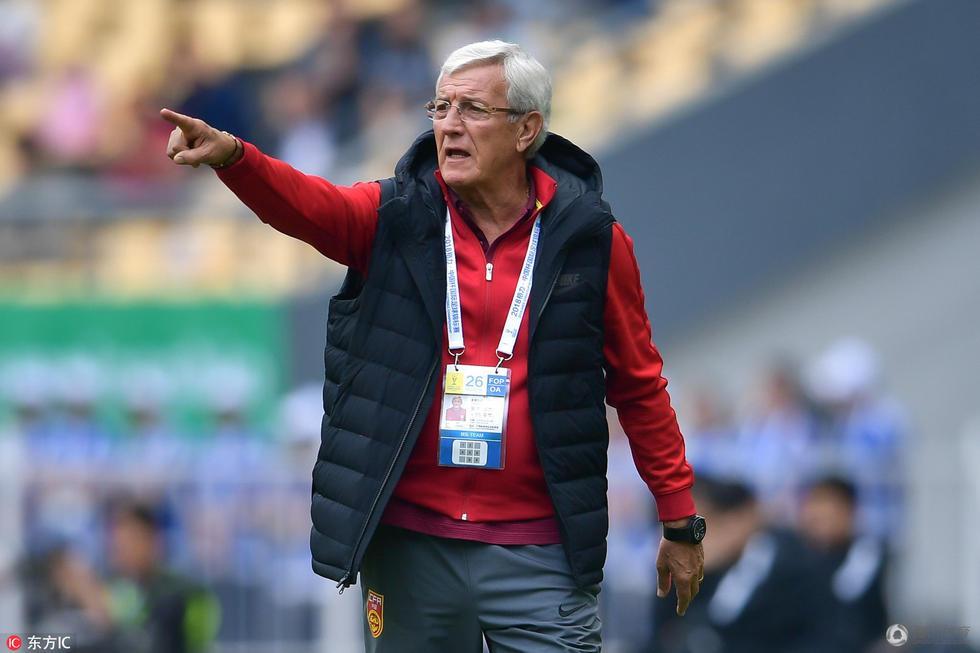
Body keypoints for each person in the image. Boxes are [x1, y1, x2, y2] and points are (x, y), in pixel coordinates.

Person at [162, 40, 704, 652]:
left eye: (472, 109)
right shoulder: (395, 215)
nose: (449, 125)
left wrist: (680, 519)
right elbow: (310, 206)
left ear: (526, 129)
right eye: (441, 107)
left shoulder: (593, 240)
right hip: (410, 546)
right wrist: (236, 158)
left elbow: (639, 385)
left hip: (539, 547)